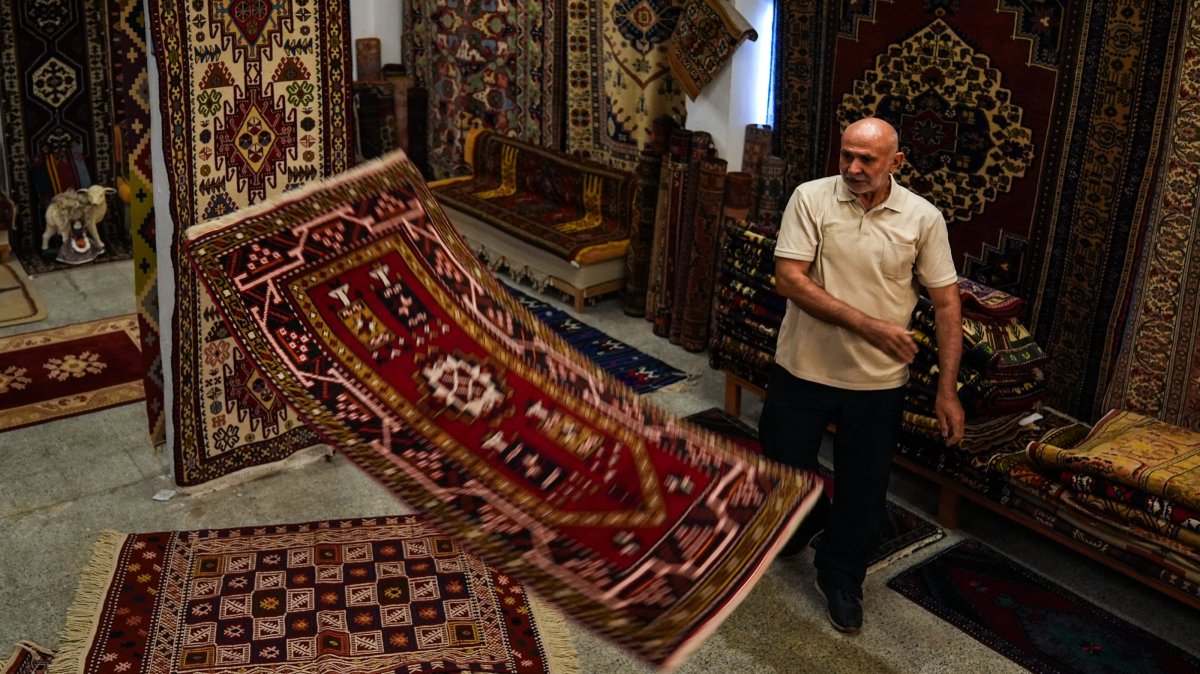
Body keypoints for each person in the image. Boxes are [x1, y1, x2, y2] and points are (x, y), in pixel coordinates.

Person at [759, 117, 964, 634]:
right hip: (802, 368)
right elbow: (789, 279)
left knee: (863, 488)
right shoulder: (811, 198)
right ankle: (807, 518)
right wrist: (871, 326)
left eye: (866, 159)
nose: (852, 167)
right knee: (784, 468)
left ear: (896, 162)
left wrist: (947, 392)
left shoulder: (922, 218)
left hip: (876, 384)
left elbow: (945, 305)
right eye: (846, 154)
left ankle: (842, 578)